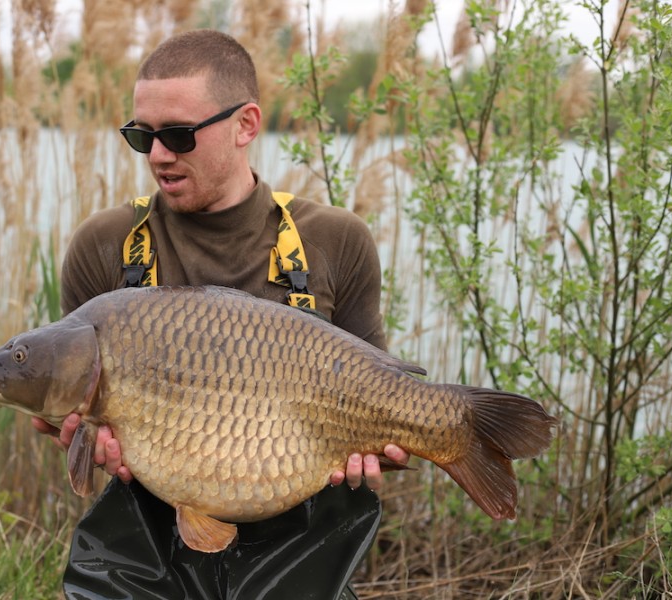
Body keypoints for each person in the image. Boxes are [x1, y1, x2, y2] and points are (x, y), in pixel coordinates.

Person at [32, 29, 409, 599]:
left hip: (299, 535)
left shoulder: (335, 240)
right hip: (149, 547)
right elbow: (83, 418)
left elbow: (380, 402)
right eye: (142, 136)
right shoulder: (104, 244)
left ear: (246, 125)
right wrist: (81, 435)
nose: (158, 155)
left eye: (178, 135)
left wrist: (386, 451)